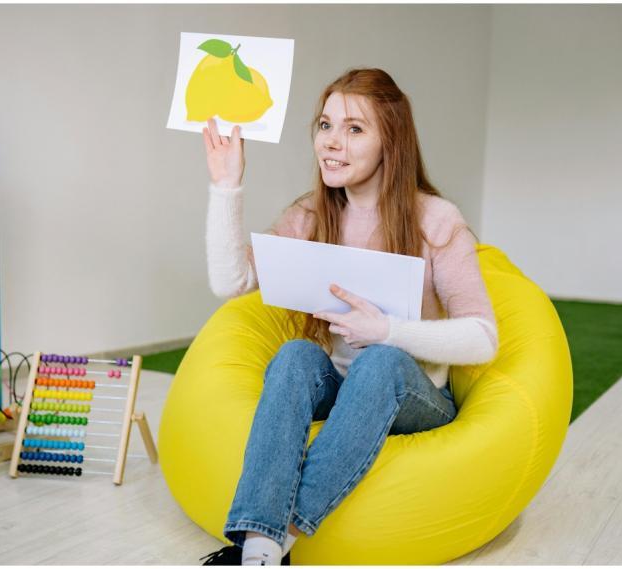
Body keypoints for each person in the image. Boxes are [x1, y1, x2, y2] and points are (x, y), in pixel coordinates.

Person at [199, 68, 498, 566]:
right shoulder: (310, 216)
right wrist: (226, 185)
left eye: (354, 129)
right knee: (295, 355)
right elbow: (229, 283)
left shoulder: (436, 220)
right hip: (341, 388)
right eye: (325, 125)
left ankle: (275, 543)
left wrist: (388, 331)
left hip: (412, 392)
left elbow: (484, 338)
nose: (331, 143)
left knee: (381, 361)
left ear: (391, 142)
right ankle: (257, 547)